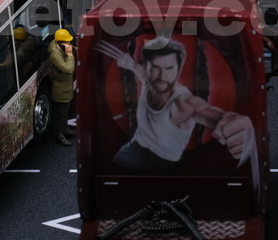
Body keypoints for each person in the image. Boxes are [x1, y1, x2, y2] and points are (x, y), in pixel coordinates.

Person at [99, 37, 254, 172]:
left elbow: (209, 113)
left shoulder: (183, 103)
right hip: (132, 148)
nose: (162, 76)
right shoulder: (149, 80)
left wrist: (237, 126)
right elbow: (139, 70)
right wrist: (129, 63)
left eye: (169, 68)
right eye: (155, 68)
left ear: (178, 69)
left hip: (160, 162)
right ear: (147, 67)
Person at [48, 28, 76, 146]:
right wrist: (70, 55)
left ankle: (65, 129)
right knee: (60, 114)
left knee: (66, 110)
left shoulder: (59, 45)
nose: (69, 43)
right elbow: (69, 69)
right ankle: (59, 135)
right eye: (67, 42)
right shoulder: (55, 55)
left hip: (66, 87)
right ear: (61, 43)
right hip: (60, 90)